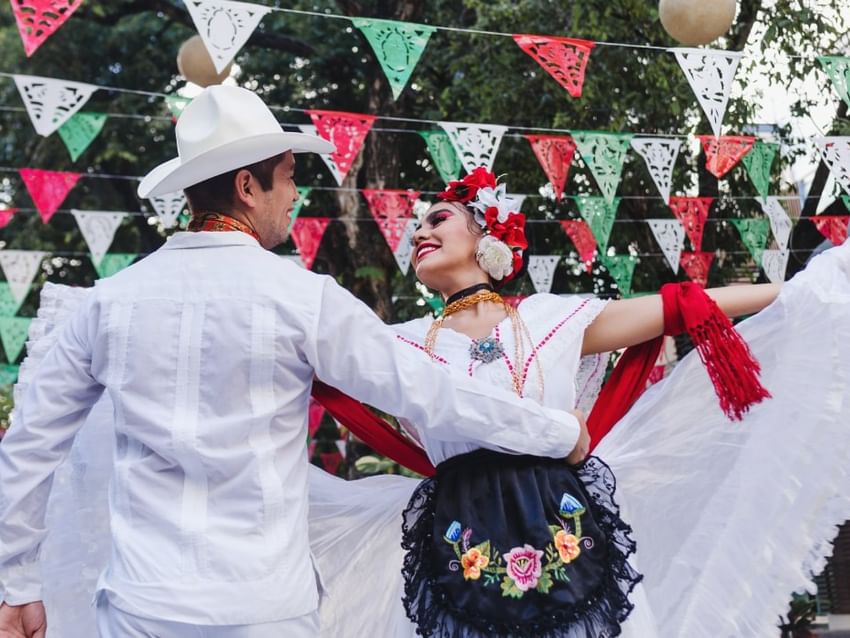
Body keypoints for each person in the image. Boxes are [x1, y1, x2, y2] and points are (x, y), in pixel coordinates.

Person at [0, 88, 586, 638]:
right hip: (264, 609)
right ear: (248, 187)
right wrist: (554, 431)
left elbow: (29, 447)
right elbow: (428, 391)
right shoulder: (302, 297)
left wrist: (17, 583)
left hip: (140, 605)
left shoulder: (108, 302)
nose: (295, 197)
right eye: (288, 180)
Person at [305, 167, 850, 637]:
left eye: (438, 218)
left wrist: (803, 290)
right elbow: (305, 361)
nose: (419, 231)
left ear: (484, 235)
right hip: (457, 532)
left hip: (566, 525)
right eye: (418, 223)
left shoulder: (549, 320)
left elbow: (681, 306)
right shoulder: (397, 342)